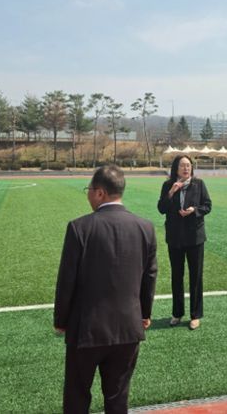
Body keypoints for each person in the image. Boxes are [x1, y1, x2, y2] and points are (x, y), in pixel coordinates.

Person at [54, 165, 157, 414]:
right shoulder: (145, 227)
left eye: (89, 190)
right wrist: (144, 314)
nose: (88, 194)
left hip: (86, 330)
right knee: (117, 398)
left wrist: (61, 320)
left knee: (77, 397)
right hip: (128, 329)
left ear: (100, 193)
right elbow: (149, 275)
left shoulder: (79, 227)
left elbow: (67, 280)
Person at [157, 155, 212, 330]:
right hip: (175, 237)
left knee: (196, 276)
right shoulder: (167, 185)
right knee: (176, 276)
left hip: (195, 237)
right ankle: (177, 313)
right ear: (176, 168)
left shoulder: (199, 184)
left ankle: (195, 315)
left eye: (188, 165)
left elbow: (207, 206)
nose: (186, 168)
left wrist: (194, 210)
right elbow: (161, 208)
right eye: (182, 166)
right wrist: (171, 192)